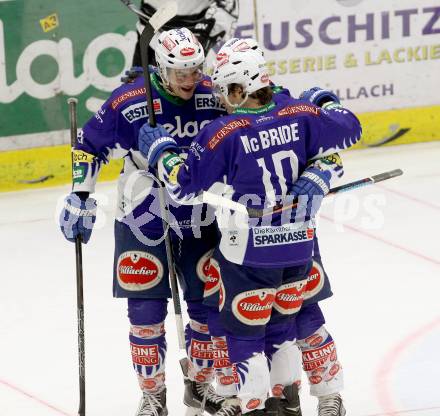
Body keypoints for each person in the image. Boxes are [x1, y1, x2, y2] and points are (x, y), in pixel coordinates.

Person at [137, 38, 362, 414]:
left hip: (249, 255)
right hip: (298, 247)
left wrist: (160, 148)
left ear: (241, 87)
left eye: (225, 90)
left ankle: (257, 407)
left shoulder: (223, 131)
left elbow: (183, 187)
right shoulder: (301, 113)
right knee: (286, 328)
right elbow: (350, 129)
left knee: (244, 337)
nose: (221, 99)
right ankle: (288, 405)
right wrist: (323, 99)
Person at [59, 27, 230, 416]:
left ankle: (200, 386)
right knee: (145, 311)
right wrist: (80, 196)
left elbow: (252, 109)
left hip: (199, 214)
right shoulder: (131, 99)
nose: (189, 79)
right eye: (179, 72)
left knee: (206, 307)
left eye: (194, 70)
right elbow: (89, 146)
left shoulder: (211, 95)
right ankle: (153, 395)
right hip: (143, 215)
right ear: (160, 68)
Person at [131, 0, 239, 66]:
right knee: (138, 89)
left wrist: (207, 34)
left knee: (183, 88)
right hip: (149, 29)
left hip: (189, 38)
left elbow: (229, 8)